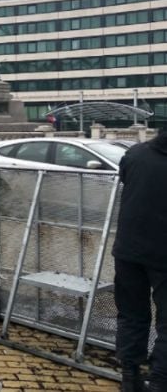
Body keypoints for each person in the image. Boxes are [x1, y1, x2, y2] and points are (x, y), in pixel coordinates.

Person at [113, 129, 167, 392]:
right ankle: (159, 382)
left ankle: (130, 379)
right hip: (162, 255)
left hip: (128, 251)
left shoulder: (134, 155)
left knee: (131, 315)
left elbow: (126, 180)